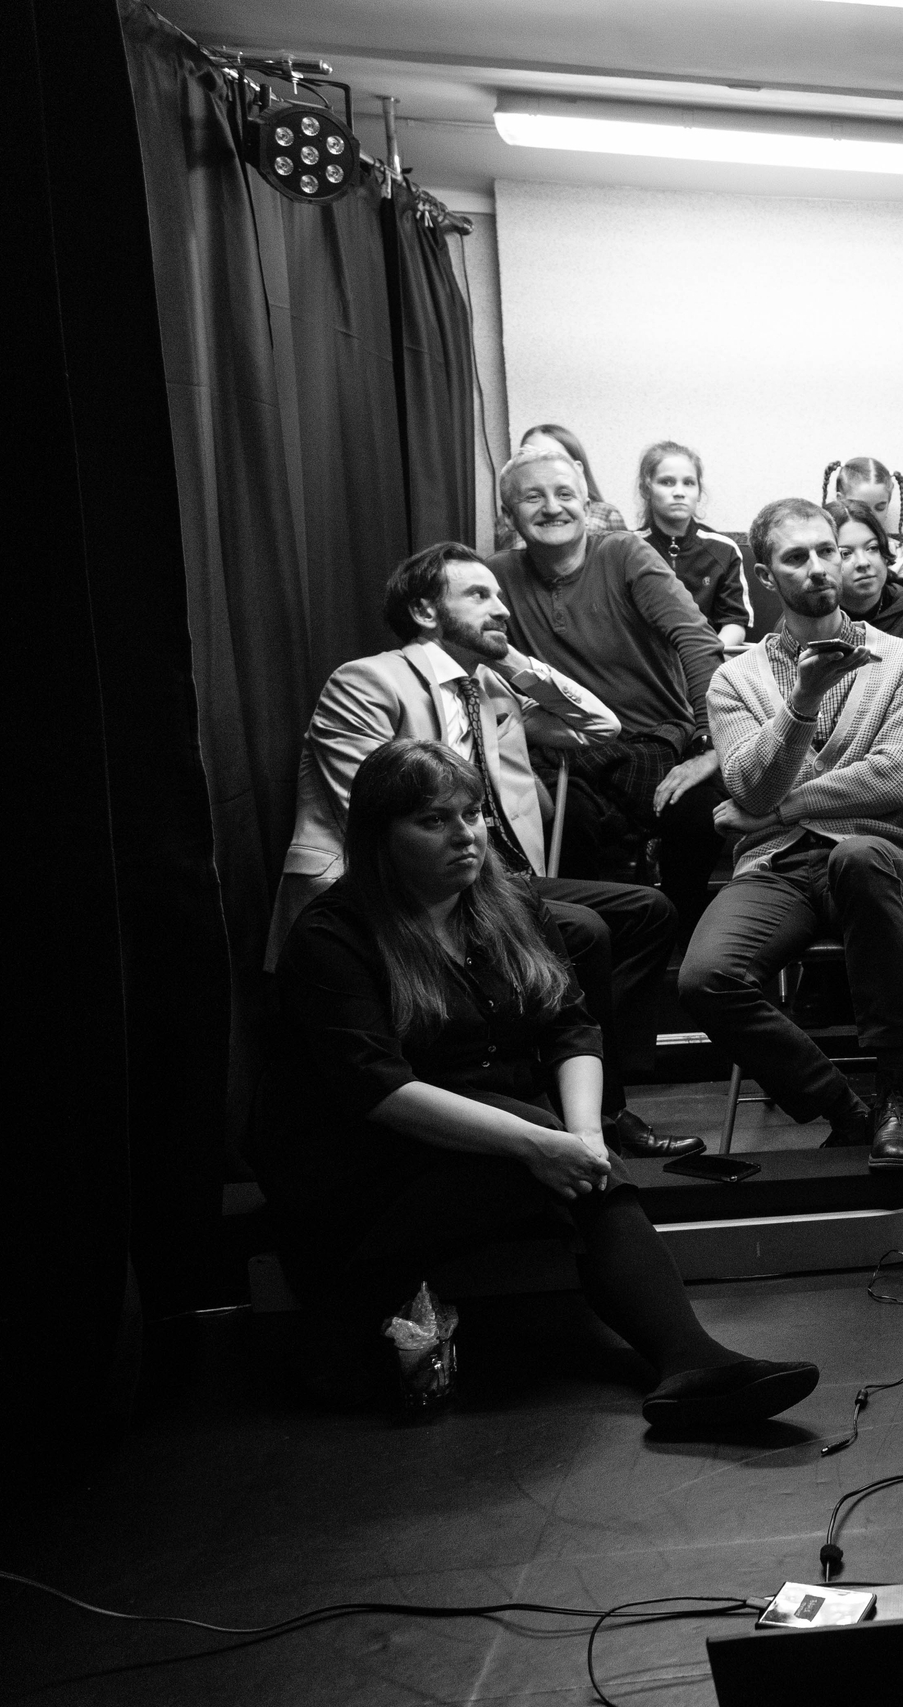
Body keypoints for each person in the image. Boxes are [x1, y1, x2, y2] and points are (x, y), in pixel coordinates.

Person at [272, 739, 818, 1433]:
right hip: (371, 1155)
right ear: (380, 836)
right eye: (434, 820)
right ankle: (688, 1358)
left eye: (471, 813)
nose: (466, 834)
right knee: (546, 1151)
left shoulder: (506, 902)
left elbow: (571, 1024)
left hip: (485, 1134)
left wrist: (584, 1134)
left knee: (578, 1157)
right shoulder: (334, 934)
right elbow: (377, 1089)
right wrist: (539, 1142)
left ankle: (690, 1362)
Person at [268, 542, 701, 1161]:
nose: (501, 608)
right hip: (394, 883)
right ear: (425, 611)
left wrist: (513, 660)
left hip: (487, 873)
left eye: (500, 595)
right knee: (583, 930)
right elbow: (370, 814)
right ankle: (585, 1116)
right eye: (478, 595)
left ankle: (598, 1099)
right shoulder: (368, 680)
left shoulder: (491, 686)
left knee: (647, 911)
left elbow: (598, 728)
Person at [680, 498, 903, 1171]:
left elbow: (894, 779)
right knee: (705, 979)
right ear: (767, 576)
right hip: (778, 867)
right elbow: (748, 787)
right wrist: (800, 702)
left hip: (878, 855)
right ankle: (846, 1108)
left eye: (830, 550)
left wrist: (776, 810)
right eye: (797, 557)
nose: (822, 566)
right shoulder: (734, 680)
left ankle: (898, 1091)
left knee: (856, 856)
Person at [488, 443, 727, 932]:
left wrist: (710, 745)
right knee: (566, 822)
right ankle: (593, 946)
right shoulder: (497, 576)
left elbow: (697, 642)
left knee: (698, 815)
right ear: (509, 514)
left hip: (657, 741)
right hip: (566, 753)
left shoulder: (623, 554)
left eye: (564, 494)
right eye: (533, 497)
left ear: (585, 501)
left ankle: (682, 941)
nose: (552, 507)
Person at [636, 441, 750, 646]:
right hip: (645, 661)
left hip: (710, 657)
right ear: (646, 489)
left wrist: (707, 657)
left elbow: (735, 624)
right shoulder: (628, 548)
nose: (679, 492)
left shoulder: (724, 550)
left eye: (688, 483)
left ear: (699, 492)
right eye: (667, 482)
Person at [831, 499, 903, 671]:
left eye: (872, 548)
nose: (863, 562)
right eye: (845, 554)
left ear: (885, 552)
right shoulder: (810, 620)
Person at [506, 424, 629, 542]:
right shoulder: (508, 520)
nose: (544, 465)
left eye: (554, 457)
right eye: (531, 457)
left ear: (578, 469)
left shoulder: (605, 514)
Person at [823, 456, 903, 594]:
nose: (871, 516)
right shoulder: (821, 552)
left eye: (880, 507)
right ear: (840, 501)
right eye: (860, 507)